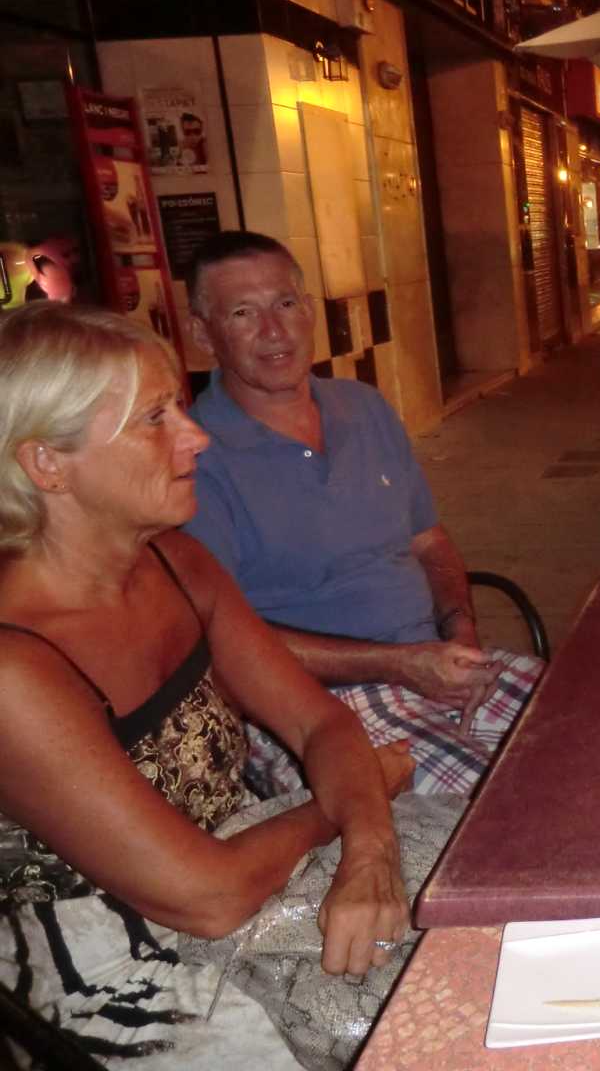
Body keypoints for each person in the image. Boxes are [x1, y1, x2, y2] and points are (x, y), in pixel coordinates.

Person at [0, 303, 409, 1066]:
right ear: (46, 463)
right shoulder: (14, 669)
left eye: (179, 409)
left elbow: (320, 724)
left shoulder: (176, 563)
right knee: (411, 1018)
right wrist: (349, 803)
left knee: (472, 906)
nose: (196, 437)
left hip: (253, 867)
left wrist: (370, 848)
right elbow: (205, 897)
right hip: (112, 965)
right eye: (155, 418)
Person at [180, 231, 539, 797]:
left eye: (285, 303)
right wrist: (399, 664)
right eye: (243, 313)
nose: (274, 331)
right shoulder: (195, 458)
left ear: (309, 311)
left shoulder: (364, 407)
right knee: (513, 801)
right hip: (317, 707)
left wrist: (460, 632)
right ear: (203, 334)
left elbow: (428, 540)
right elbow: (222, 641)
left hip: (435, 665)